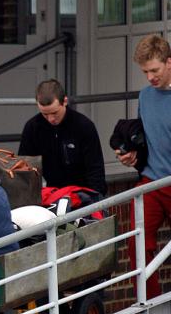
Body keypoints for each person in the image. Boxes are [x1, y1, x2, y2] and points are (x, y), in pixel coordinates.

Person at [116, 34, 171, 299]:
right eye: (145, 72)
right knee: (136, 240)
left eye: (154, 70)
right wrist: (131, 155)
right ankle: (150, 304)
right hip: (153, 180)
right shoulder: (145, 96)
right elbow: (144, 137)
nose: (150, 77)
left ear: (169, 63)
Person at [19, 79, 107, 197]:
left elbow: (95, 169)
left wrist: (95, 200)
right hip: (52, 193)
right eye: (45, 114)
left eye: (55, 113)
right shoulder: (33, 128)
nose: (51, 119)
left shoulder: (84, 126)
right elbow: (25, 168)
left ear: (65, 101)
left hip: (83, 194)